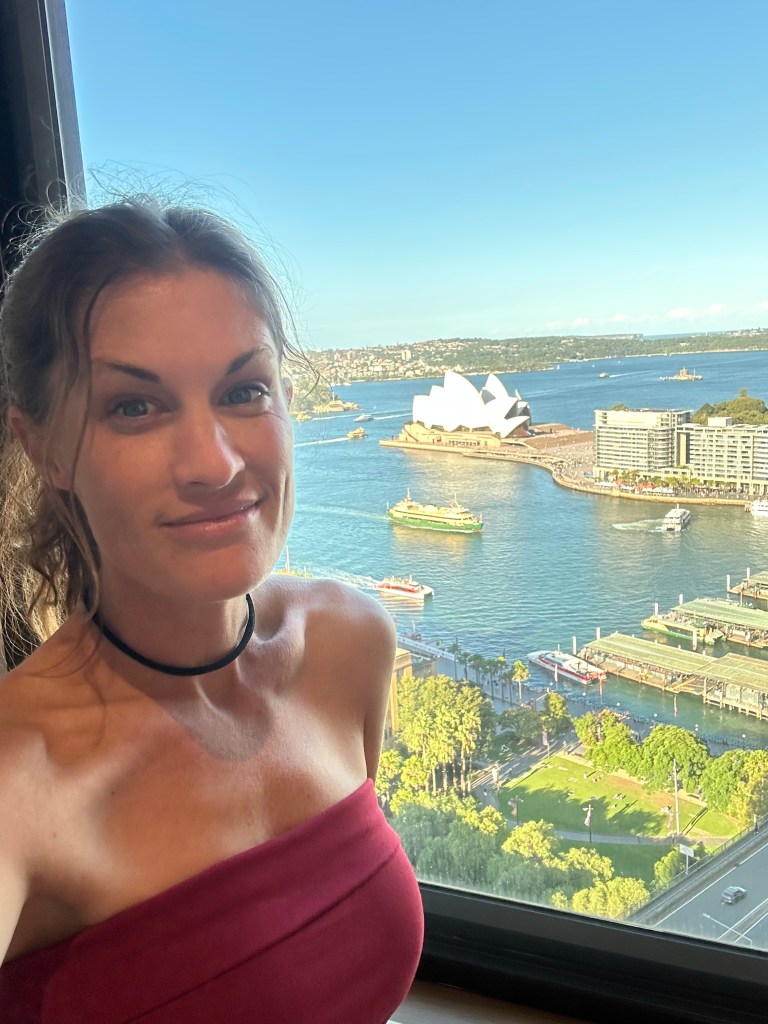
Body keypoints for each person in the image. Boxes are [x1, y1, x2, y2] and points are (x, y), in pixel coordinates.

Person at [0, 199, 423, 1022]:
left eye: (243, 391)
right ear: (43, 447)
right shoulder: (23, 772)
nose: (214, 463)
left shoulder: (349, 642)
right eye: (135, 406)